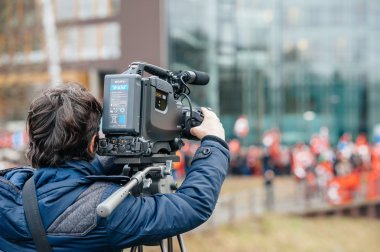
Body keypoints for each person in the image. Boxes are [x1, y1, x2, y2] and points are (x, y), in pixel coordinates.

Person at [0, 84, 230, 251]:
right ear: (92, 143)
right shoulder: (106, 211)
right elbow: (193, 205)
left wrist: (128, 150)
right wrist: (214, 142)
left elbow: (68, 183)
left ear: (31, 137)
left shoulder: (10, 188)